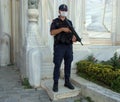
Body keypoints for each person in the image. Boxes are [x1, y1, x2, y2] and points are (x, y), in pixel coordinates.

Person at [50, 4, 77, 92]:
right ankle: (55, 83)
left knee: (68, 64)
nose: (64, 12)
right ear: (59, 11)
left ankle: (67, 81)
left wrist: (74, 38)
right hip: (59, 46)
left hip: (68, 46)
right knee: (57, 64)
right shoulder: (55, 21)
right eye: (62, 10)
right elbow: (52, 32)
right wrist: (62, 29)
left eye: (65, 11)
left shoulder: (69, 22)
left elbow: (72, 34)